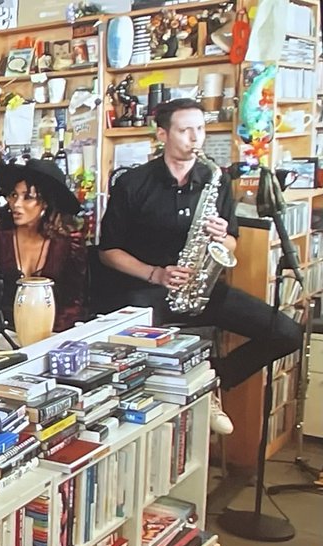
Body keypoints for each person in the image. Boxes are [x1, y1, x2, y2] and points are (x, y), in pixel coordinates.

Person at [97, 98, 303, 434]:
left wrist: (222, 238)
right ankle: (169, 395)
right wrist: (156, 273)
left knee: (287, 333)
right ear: (162, 134)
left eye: (201, 129)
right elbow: (108, 251)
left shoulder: (215, 179)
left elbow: (232, 241)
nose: (196, 138)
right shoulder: (132, 183)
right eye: (185, 130)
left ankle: (212, 379)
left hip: (202, 288)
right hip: (146, 292)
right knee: (133, 353)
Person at [0, 159, 86, 332]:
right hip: (3, 335)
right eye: (14, 195)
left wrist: (49, 337)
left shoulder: (68, 243)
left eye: (28, 197)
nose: (16, 204)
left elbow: (74, 302)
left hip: (52, 334)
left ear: (46, 203)